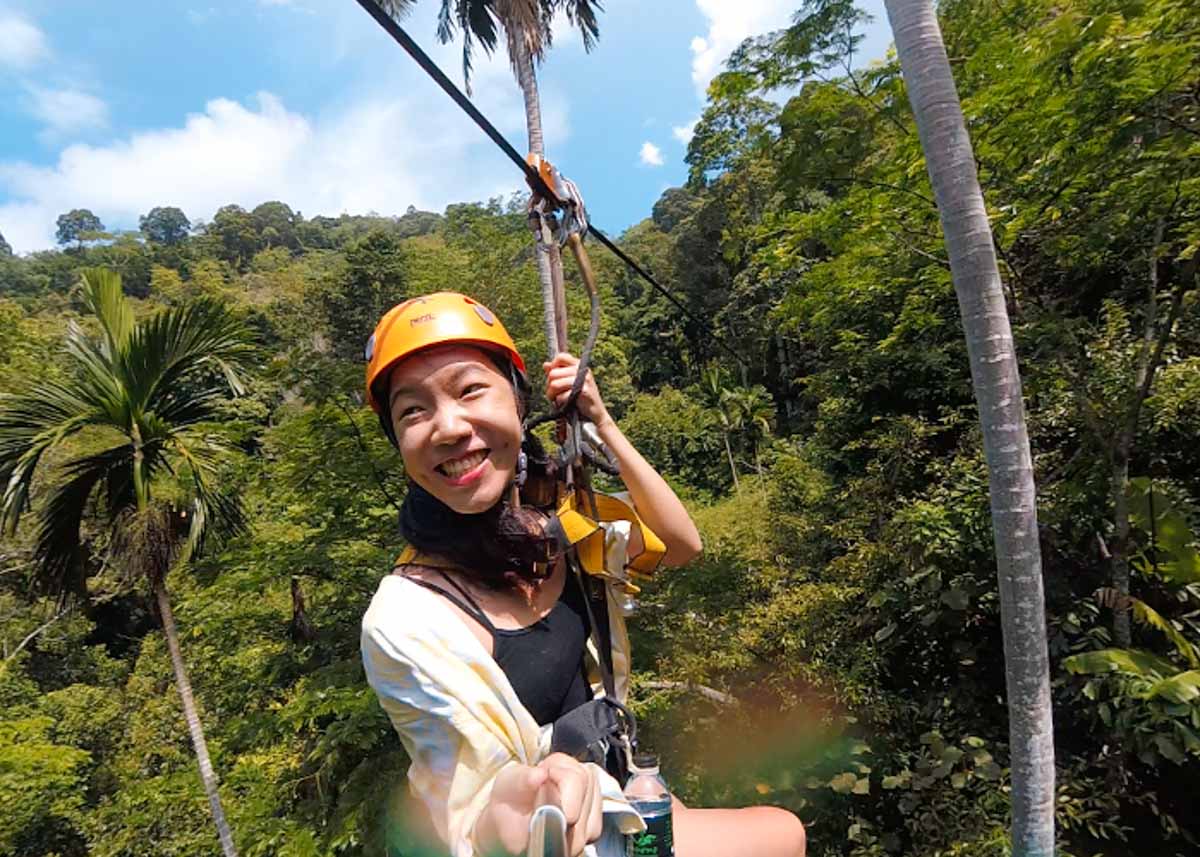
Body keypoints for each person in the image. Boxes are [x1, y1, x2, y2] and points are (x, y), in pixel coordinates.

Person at [360, 292, 806, 857]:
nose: (446, 426)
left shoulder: (556, 529)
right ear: (400, 445)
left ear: (519, 406)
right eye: (412, 411)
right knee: (782, 832)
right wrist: (530, 802)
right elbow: (469, 796)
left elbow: (680, 544)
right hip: (570, 832)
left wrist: (601, 421)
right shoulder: (407, 619)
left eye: (470, 389)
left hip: (618, 777)